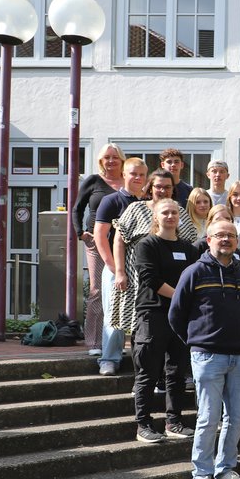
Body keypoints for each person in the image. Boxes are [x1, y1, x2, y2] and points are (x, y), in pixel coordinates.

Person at [168, 220, 240, 479]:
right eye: (220, 235)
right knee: (208, 417)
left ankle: (225, 469)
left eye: (231, 235)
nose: (226, 239)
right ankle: (202, 473)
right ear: (209, 240)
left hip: (239, 357)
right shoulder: (194, 272)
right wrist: (197, 343)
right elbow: (176, 314)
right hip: (207, 356)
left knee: (237, 417)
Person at [112, 170, 198, 376]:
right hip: (137, 275)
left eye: (167, 187)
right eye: (158, 186)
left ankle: (163, 378)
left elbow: (187, 241)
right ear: (150, 188)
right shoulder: (135, 208)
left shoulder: (178, 211)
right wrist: (119, 271)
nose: (162, 190)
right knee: (140, 327)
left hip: (170, 280)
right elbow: (119, 239)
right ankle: (141, 374)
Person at [131, 198, 199, 444]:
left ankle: (174, 422)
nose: (170, 216)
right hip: (153, 314)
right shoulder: (147, 244)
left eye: (174, 212)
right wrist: (182, 298)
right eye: (165, 212)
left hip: (179, 318)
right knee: (148, 373)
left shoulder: (189, 248)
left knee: (176, 373)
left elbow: (195, 280)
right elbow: (150, 278)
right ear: (156, 217)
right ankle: (143, 424)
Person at [93, 157, 148, 374]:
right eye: (133, 173)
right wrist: (114, 268)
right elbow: (100, 235)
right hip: (116, 268)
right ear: (124, 174)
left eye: (142, 175)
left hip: (140, 268)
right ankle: (109, 358)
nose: (137, 178)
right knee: (114, 312)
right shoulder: (111, 201)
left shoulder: (147, 203)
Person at [75, 143, 126, 356]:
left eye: (115, 157)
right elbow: (77, 208)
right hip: (98, 242)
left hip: (123, 243)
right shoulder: (93, 181)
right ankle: (94, 342)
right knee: (97, 291)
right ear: (101, 161)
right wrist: (80, 233)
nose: (111, 161)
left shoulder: (128, 182)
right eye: (107, 158)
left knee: (121, 291)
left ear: (122, 160)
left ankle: (116, 343)